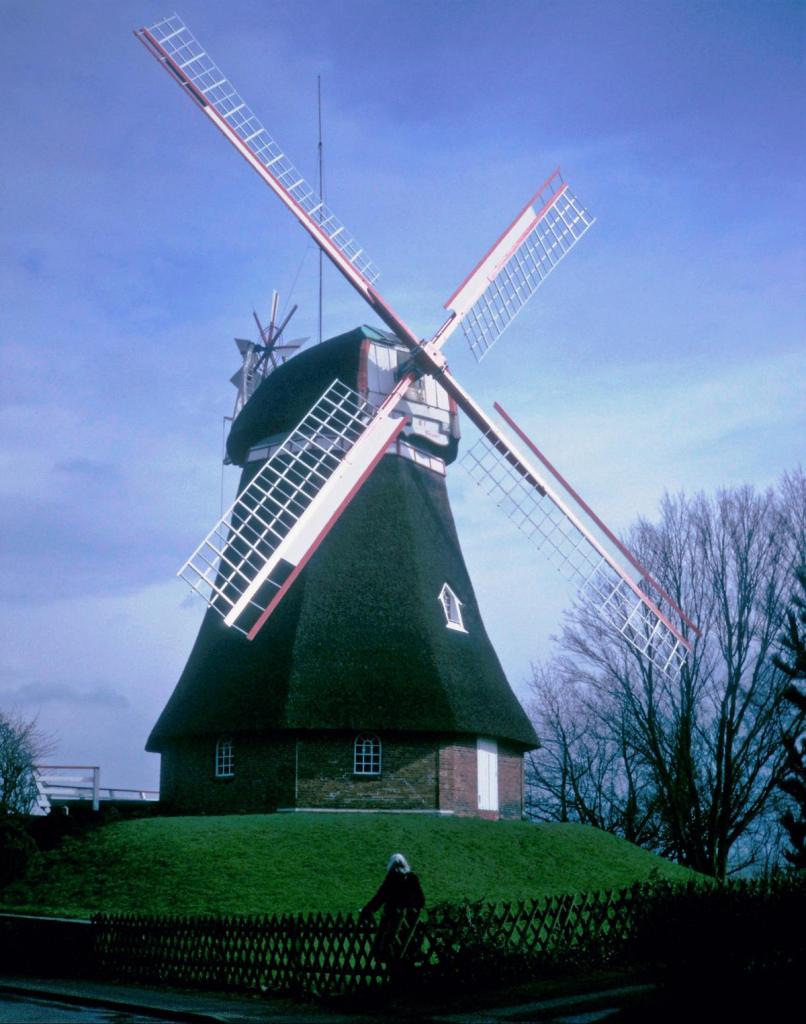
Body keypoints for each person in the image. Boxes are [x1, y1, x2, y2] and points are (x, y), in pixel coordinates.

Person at [360, 853, 425, 963]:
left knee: (387, 947)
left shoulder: (391, 878)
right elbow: (421, 900)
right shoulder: (412, 878)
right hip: (409, 921)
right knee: (406, 948)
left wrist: (366, 910)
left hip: (391, 920)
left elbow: (380, 897)